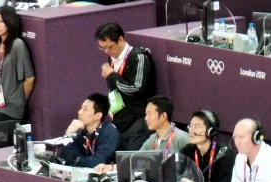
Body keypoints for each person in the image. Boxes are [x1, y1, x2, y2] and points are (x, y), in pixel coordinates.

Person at [95, 22, 155, 151]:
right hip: (120, 121)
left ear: (120, 39)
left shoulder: (138, 57)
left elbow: (137, 89)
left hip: (137, 121)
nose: (107, 51)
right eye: (102, 48)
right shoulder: (112, 58)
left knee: (132, 164)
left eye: (109, 47)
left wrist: (112, 76)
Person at [94, 96, 189, 174]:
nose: (146, 118)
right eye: (145, 114)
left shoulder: (182, 138)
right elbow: (136, 160)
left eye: (150, 114)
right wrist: (111, 167)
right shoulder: (152, 139)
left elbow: (193, 170)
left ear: (163, 116)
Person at [0, 6, 34, 124]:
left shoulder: (17, 45)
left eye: (1, 21)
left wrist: (19, 100)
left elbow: (29, 78)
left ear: (10, 22)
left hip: (11, 109)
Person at [179, 110, 235, 182]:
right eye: (190, 126)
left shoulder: (224, 153)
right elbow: (174, 173)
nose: (191, 131)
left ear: (210, 131)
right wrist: (182, 180)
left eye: (196, 126)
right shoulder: (187, 150)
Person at [60, 93, 121, 168]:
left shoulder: (109, 131)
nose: (80, 112)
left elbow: (96, 162)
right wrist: (68, 134)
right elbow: (65, 157)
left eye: (85, 109)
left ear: (98, 115)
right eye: (81, 108)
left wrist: (75, 160)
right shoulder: (80, 131)